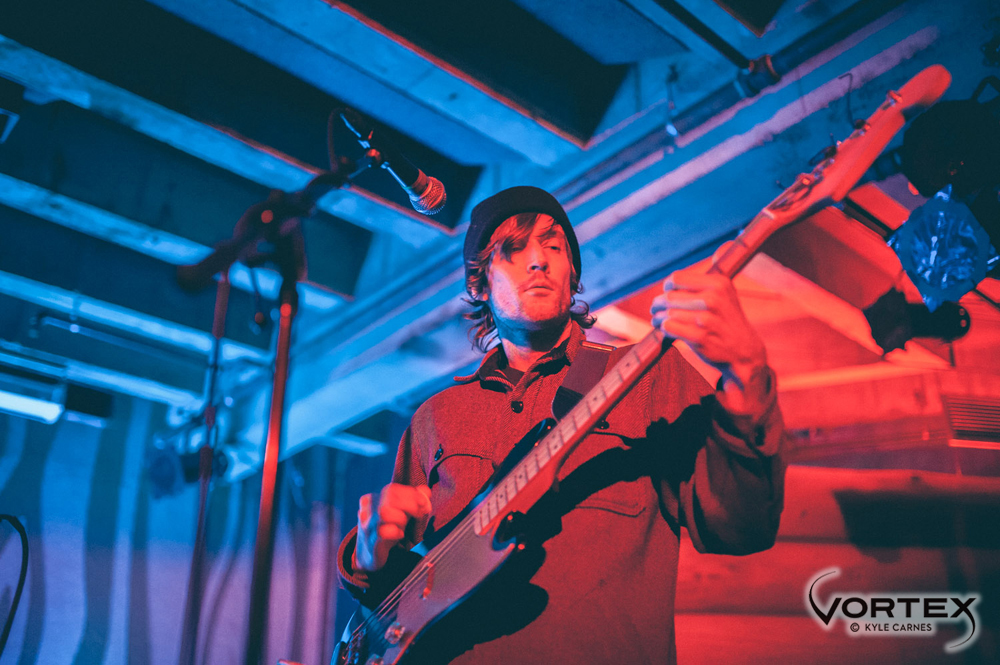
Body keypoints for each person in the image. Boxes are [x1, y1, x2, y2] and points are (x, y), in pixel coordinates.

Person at [337, 186, 785, 664]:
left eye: (554, 247)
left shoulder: (649, 373)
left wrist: (748, 376)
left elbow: (741, 529)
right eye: (513, 250)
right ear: (480, 285)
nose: (539, 261)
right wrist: (368, 557)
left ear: (572, 276)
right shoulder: (436, 417)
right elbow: (403, 598)